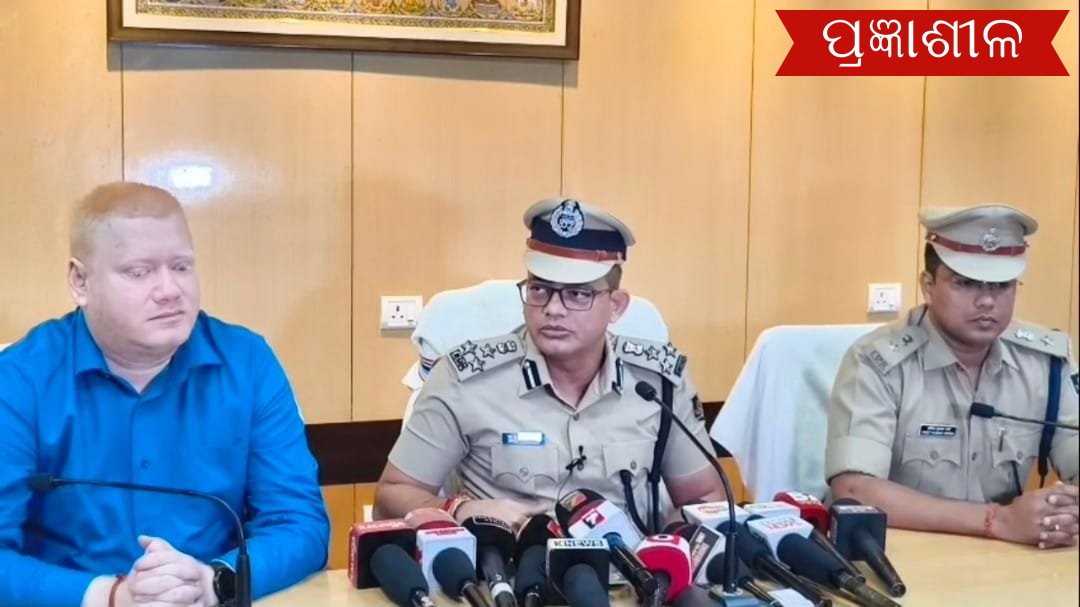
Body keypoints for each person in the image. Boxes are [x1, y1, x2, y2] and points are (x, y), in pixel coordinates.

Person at [0, 182, 329, 607]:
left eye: (181, 266)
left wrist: (213, 581)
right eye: (139, 272)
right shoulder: (20, 379)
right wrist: (112, 596)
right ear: (80, 281)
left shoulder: (247, 362)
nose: (170, 290)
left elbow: (300, 524)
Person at [373, 198, 726, 530]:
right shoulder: (463, 380)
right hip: (511, 570)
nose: (553, 309)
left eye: (577, 294)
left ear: (616, 306)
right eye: (539, 290)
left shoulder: (658, 384)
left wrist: (669, 550)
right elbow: (392, 496)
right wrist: (459, 510)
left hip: (631, 568)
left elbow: (705, 498)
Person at [826, 203, 1079, 550]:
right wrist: (997, 520)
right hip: (902, 555)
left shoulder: (1046, 362)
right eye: (966, 283)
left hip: (1009, 557)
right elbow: (855, 490)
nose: (987, 300)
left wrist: (1059, 511)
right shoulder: (877, 362)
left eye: (1002, 285)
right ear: (928, 286)